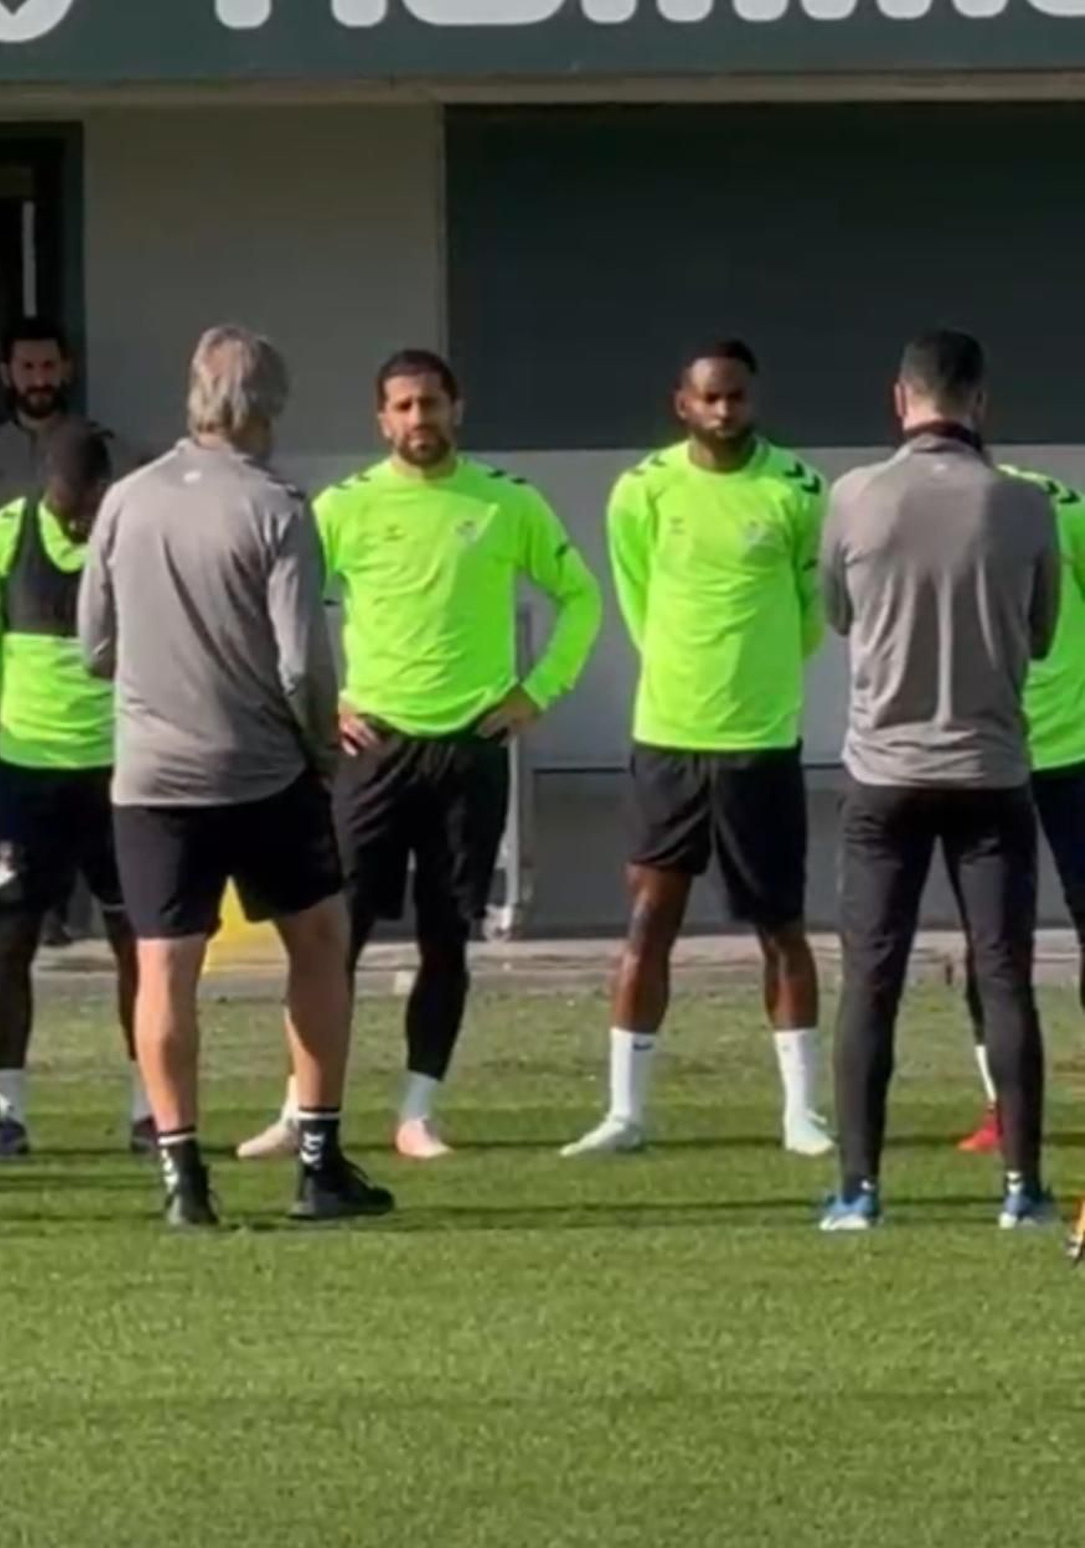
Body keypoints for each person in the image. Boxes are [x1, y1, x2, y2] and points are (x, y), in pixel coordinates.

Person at [236, 349, 602, 1163]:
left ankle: (417, 1111)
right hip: (374, 751)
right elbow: (278, 609)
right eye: (402, 407)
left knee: (448, 933)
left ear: (456, 408)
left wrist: (536, 694)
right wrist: (326, 705)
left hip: (469, 748)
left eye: (430, 404)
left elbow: (582, 600)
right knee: (335, 933)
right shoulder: (344, 508)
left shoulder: (508, 504)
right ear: (381, 419)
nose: (418, 420)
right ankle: (301, 1106)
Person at [79, 325, 394, 1229]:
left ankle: (184, 1176)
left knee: (164, 969)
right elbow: (304, 665)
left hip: (150, 778)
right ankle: (319, 1158)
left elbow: (95, 646)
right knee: (320, 943)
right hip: (260, 771)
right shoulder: (277, 507)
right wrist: (320, 751)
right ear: (268, 409)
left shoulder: (126, 502)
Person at [562, 340, 832, 1160]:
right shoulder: (641, 490)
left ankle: (801, 1113)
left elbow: (811, 609)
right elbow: (638, 598)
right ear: (682, 403)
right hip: (668, 739)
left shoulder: (798, 489)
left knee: (780, 926)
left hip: (760, 742)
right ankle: (626, 1114)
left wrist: (760, 681)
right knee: (648, 922)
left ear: (754, 399)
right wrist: (686, 677)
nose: (724, 412)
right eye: (709, 398)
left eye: (737, 397)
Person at [819, 329, 1059, 1234]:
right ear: (981, 404)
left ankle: (858, 1190)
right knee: (1005, 979)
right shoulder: (1022, 505)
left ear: (900, 399)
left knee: (869, 979)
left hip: (883, 771)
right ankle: (1019, 1189)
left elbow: (838, 614)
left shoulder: (852, 497)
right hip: (991, 772)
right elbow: (1039, 634)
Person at [0, 420, 151, 1157]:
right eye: (65, 507)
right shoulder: (2, 539)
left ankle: (149, 1110)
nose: (75, 522)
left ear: (106, 489)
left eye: (85, 509)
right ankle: (8, 1114)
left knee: (138, 943)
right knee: (10, 939)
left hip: (120, 772)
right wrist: (21, 714)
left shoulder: (132, 537)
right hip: (28, 773)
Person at [0, 317, 138, 950]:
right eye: (26, 368)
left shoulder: (116, 451)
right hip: (8, 667)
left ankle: (86, 913)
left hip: (94, 683)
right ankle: (23, 910)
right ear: (7, 375)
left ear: (67, 369)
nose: (38, 379)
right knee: (11, 802)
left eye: (48, 367)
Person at [953, 466, 1085, 1154]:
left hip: (1077, 751)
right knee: (991, 938)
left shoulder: (1054, 500)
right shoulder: (931, 504)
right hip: (989, 753)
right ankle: (1002, 1105)